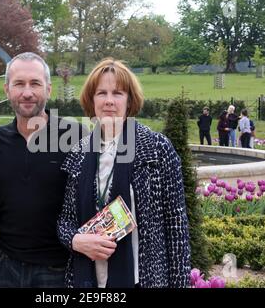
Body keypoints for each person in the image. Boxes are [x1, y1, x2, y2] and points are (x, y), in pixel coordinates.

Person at [57, 58, 191, 288]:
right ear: (92, 100)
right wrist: (75, 240)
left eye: (117, 93)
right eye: (102, 93)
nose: (109, 101)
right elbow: (65, 221)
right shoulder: (79, 153)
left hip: (143, 280)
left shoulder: (157, 149)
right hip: (88, 280)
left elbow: (177, 228)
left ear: (129, 101)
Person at [0, 52, 84, 288]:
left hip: (56, 270)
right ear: (6, 89)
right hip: (4, 266)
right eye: (19, 84)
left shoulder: (76, 136)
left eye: (35, 84)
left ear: (48, 89)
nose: (27, 92)